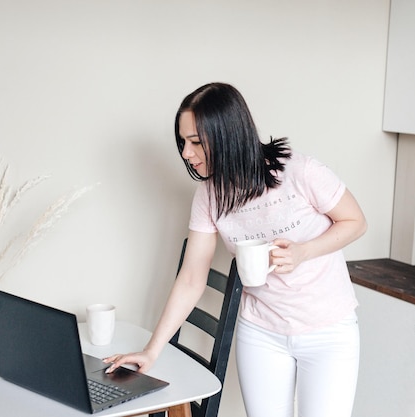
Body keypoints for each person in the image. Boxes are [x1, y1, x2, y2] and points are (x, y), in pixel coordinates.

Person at [104, 82, 367, 417]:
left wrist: (304, 251)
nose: (186, 153)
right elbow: (191, 277)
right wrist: (151, 351)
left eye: (196, 142)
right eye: (183, 142)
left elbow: (355, 222)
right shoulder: (209, 196)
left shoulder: (300, 172)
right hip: (261, 332)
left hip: (328, 330)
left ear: (227, 134)